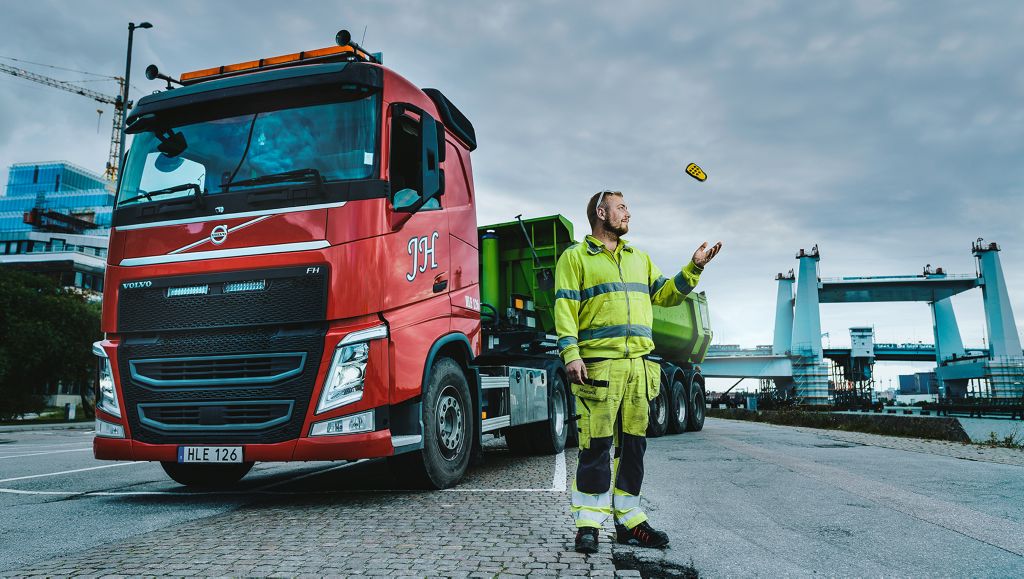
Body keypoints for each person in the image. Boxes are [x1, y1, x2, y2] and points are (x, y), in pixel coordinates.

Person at [554, 190, 722, 554]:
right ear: (601, 213)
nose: (628, 213)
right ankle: (588, 524)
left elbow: (666, 294)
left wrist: (694, 267)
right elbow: (565, 308)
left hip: (638, 369)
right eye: (621, 207)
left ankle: (629, 521)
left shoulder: (639, 258)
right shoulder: (575, 257)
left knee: (634, 448)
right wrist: (571, 353)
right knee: (595, 448)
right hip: (598, 367)